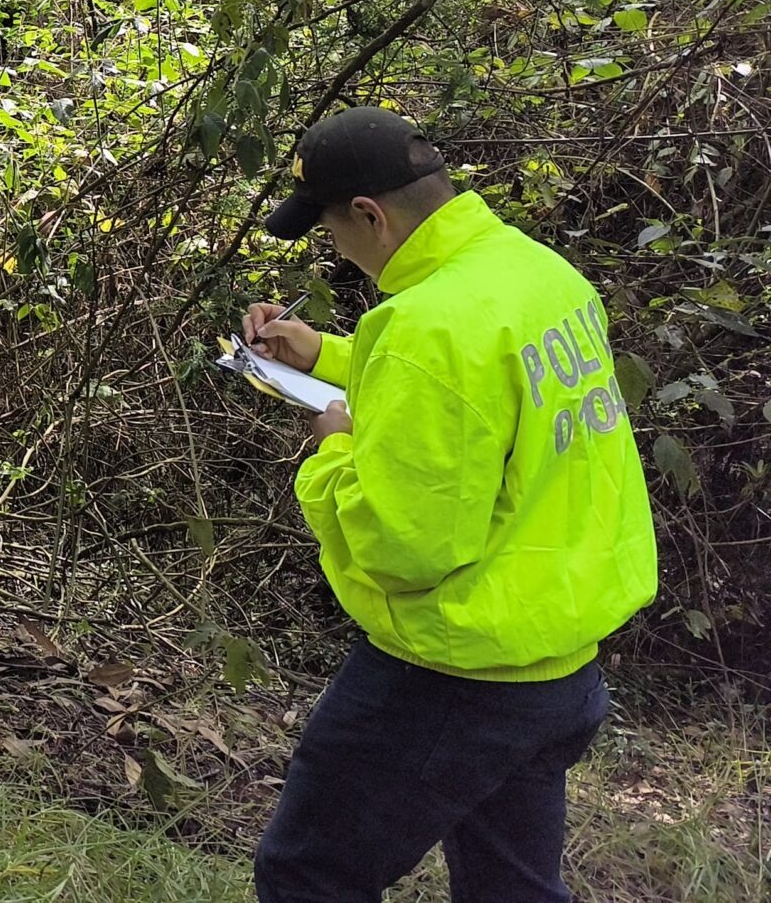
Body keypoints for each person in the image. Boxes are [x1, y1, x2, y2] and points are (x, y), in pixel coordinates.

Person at [242, 106, 656, 903]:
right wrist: (325, 352)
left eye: (328, 228)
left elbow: (406, 546)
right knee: (512, 886)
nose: (333, 248)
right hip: (558, 666)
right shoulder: (532, 272)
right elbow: (478, 385)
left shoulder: (426, 326)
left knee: (309, 875)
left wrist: (331, 449)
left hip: (451, 677)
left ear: (368, 214)